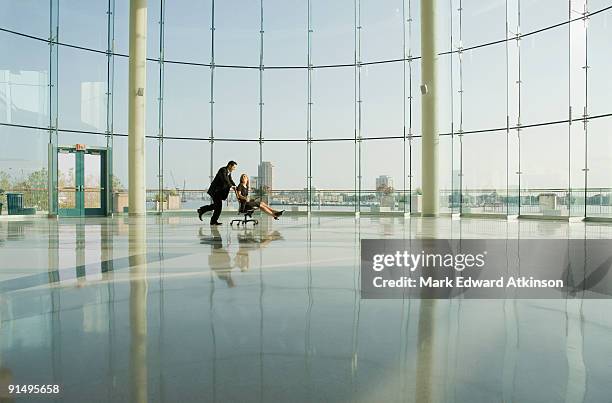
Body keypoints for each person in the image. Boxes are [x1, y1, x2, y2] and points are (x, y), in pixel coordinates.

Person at [198, 161, 237, 225]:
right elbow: (225, 179)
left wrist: (235, 186)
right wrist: (231, 186)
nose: (234, 169)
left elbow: (230, 180)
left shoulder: (228, 172)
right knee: (218, 207)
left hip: (219, 192)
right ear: (230, 166)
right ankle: (212, 220)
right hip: (215, 191)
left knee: (217, 206)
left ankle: (202, 210)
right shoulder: (223, 170)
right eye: (234, 167)